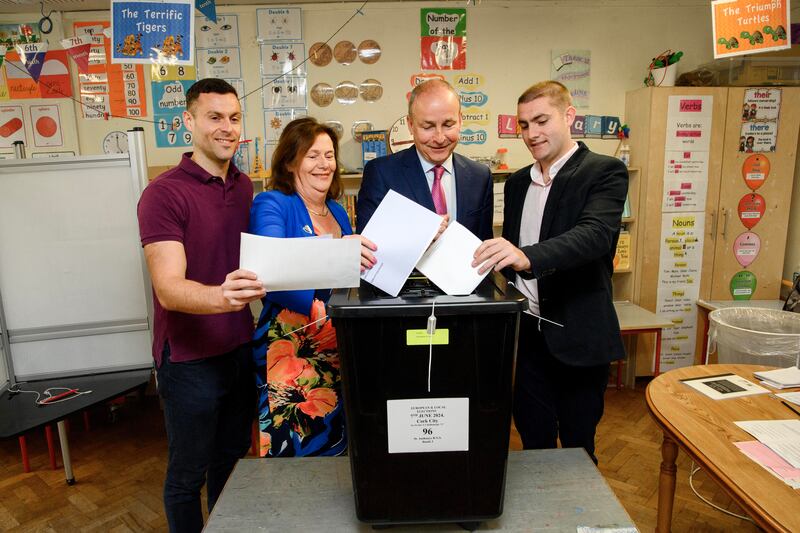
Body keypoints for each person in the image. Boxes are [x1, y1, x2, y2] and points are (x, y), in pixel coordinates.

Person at [472, 80, 628, 463]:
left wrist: (526, 257)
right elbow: (507, 254)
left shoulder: (604, 171)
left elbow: (594, 236)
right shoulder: (518, 182)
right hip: (528, 341)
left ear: (569, 116)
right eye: (524, 125)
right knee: (533, 441)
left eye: (541, 120)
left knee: (578, 447)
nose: (532, 134)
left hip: (578, 337)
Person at [137, 78, 266, 533]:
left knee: (229, 465)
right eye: (214, 117)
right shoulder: (163, 193)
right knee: (187, 476)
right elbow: (168, 288)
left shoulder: (245, 186)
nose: (226, 128)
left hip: (237, 349)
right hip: (189, 361)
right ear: (188, 122)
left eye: (233, 118)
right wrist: (221, 296)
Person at [250, 117, 376, 457]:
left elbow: (347, 272)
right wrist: (314, 302)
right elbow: (269, 268)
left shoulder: (337, 210)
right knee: (295, 446)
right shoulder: (273, 203)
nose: (325, 165)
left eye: (330, 155)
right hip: (293, 344)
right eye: (312, 156)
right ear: (290, 162)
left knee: (336, 440)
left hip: (338, 339)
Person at [356, 79, 493, 241]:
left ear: (460, 121)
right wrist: (419, 239)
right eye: (428, 127)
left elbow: (483, 246)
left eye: (448, 124)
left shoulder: (480, 176)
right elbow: (368, 248)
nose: (440, 138)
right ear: (411, 125)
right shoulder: (381, 174)